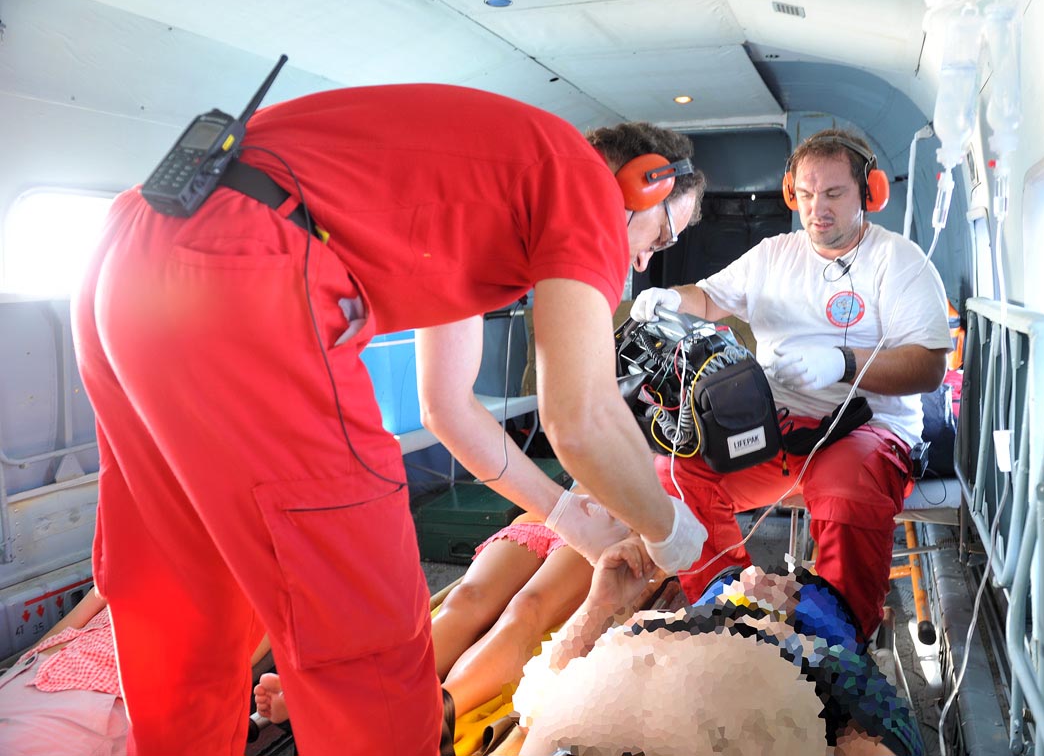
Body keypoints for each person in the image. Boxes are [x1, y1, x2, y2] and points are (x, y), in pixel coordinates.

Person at [72, 83, 710, 755]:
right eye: (663, 234)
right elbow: (581, 415)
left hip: (132, 253)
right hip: (246, 268)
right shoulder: (585, 184)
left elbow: (447, 406)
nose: (646, 260)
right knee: (362, 615)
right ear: (644, 182)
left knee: (185, 590)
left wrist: (563, 515)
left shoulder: (495, 190)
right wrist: (670, 531)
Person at [629, 128, 951, 639]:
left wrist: (843, 363)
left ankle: (840, 641)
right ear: (790, 193)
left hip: (865, 429)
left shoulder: (900, 261)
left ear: (869, 192)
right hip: (775, 429)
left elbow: (928, 367)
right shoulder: (774, 255)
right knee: (677, 471)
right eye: (805, 194)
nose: (817, 209)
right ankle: (730, 611)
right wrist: (670, 298)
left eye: (834, 193)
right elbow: (708, 298)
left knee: (842, 488)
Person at [508, 538, 924, 756]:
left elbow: (535, 701)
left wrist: (600, 607)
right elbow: (535, 699)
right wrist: (600, 604)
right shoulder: (648, 632)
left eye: (785, 583)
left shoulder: (826, 668)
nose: (759, 575)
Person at [253, 513, 595, 736]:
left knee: (527, 608)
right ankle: (340, 697)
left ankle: (435, 711)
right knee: (466, 599)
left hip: (604, 527)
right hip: (546, 511)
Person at [0, 587, 270, 756]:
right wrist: (24, 664)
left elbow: (235, 666)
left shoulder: (245, 590)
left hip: (100, 696)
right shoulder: (134, 560)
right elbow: (68, 626)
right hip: (35, 674)